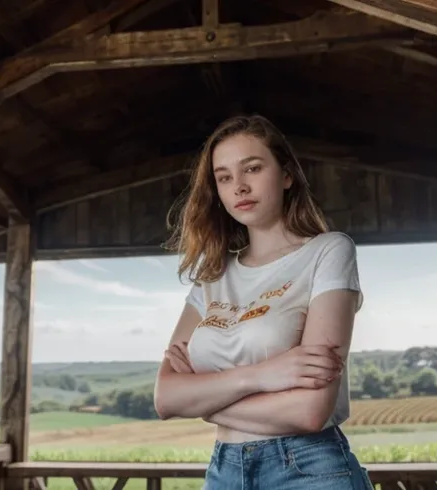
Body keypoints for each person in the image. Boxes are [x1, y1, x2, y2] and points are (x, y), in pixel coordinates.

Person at [153, 114, 372, 490]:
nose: (239, 186)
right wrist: (262, 376)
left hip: (308, 467)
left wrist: (205, 402)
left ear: (286, 175)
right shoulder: (212, 276)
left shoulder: (328, 251)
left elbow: (309, 411)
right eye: (224, 177)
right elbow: (165, 398)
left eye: (252, 168)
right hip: (223, 470)